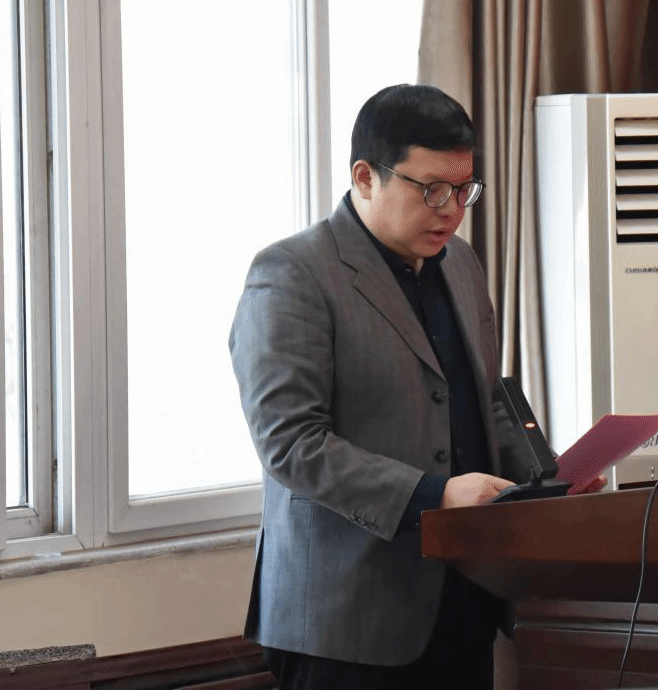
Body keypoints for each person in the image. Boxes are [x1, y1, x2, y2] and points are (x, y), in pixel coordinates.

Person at [229, 84, 557, 689]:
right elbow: (292, 444)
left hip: (465, 602)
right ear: (365, 177)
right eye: (431, 189)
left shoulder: (460, 263)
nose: (451, 210)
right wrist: (434, 495)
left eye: (464, 190)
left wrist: (549, 479)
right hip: (347, 620)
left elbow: (483, 398)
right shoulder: (291, 273)